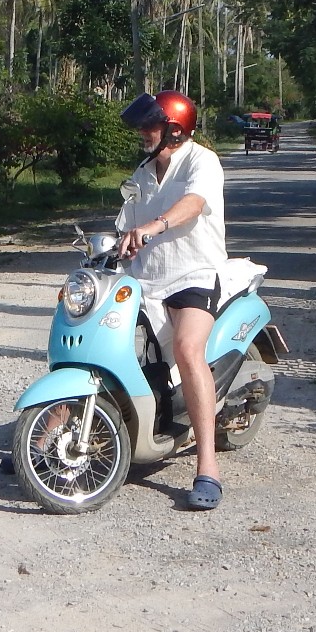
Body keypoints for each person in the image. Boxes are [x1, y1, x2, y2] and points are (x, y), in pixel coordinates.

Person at [115, 90, 229, 510]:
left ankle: (207, 466)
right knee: (102, 340)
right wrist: (116, 244)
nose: (143, 133)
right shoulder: (143, 172)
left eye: (151, 126)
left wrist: (155, 226)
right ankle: (44, 437)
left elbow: (194, 204)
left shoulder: (203, 161)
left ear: (175, 130)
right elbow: (127, 224)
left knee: (187, 349)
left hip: (193, 275)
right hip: (146, 280)